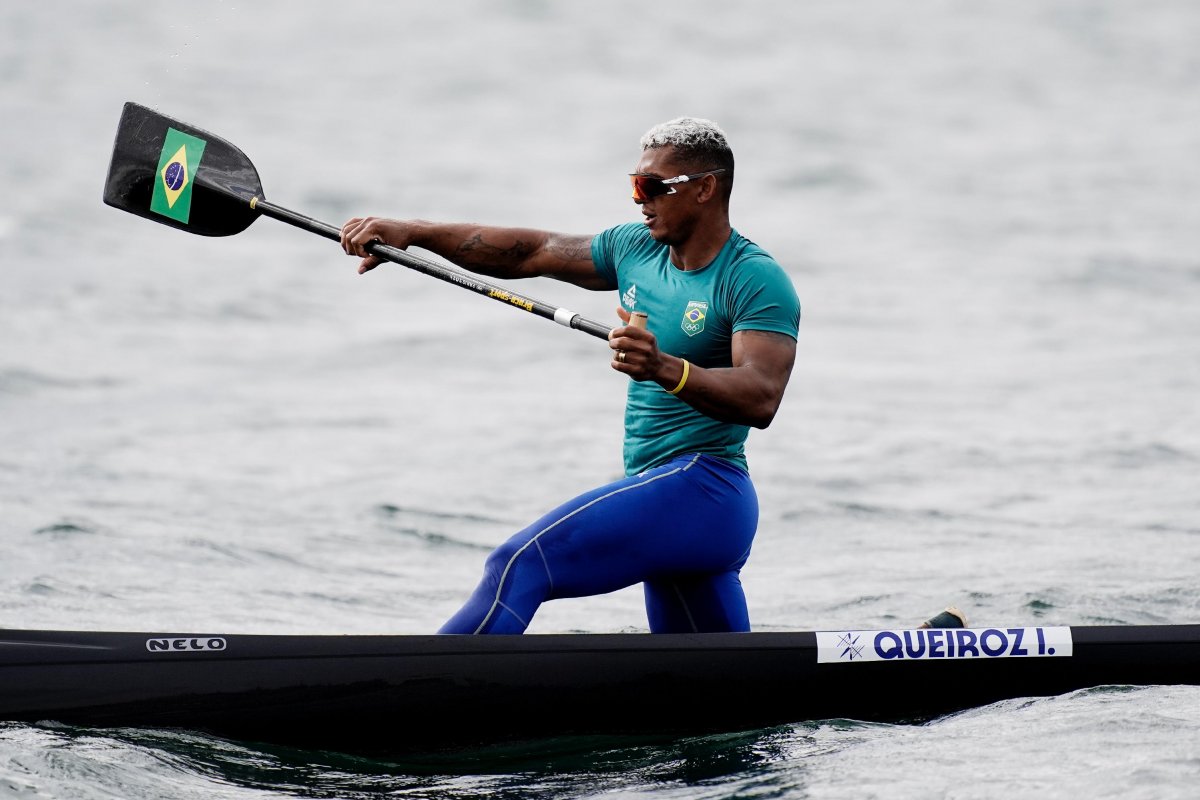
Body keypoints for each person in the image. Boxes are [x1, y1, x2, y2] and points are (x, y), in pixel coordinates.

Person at [340, 117, 801, 634]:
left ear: (704, 189)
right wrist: (413, 233)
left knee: (518, 566)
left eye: (651, 187)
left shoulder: (752, 277)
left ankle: (415, 697)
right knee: (718, 697)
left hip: (707, 492)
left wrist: (662, 367)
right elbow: (531, 250)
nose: (638, 200)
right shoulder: (636, 250)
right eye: (634, 185)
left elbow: (761, 397)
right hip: (661, 493)